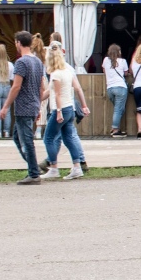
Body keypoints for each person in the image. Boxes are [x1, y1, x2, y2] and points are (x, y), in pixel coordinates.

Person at [0, 31, 47, 185]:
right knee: (17, 137)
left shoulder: (21, 62)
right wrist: (38, 106)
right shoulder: (38, 62)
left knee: (26, 140)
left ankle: (33, 173)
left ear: (18, 43)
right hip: (33, 104)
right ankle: (34, 167)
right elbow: (41, 88)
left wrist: (5, 107)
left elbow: (16, 86)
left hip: (23, 106)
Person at [40, 42, 90, 180]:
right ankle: (77, 167)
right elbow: (51, 92)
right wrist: (84, 106)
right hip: (70, 109)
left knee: (48, 138)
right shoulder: (68, 71)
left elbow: (56, 95)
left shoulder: (55, 74)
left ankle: (54, 168)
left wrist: (59, 111)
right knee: (68, 138)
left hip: (59, 109)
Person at [102, 44, 129, 137]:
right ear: (118, 52)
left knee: (119, 109)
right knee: (118, 109)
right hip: (121, 87)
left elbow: (104, 71)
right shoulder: (123, 61)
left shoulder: (105, 60)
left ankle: (114, 129)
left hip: (110, 88)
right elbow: (126, 73)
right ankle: (115, 130)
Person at [31, 33, 48, 140]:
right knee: (43, 105)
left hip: (33, 79)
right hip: (44, 79)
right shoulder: (45, 54)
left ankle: (33, 129)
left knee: (33, 103)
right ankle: (39, 130)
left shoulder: (30, 55)